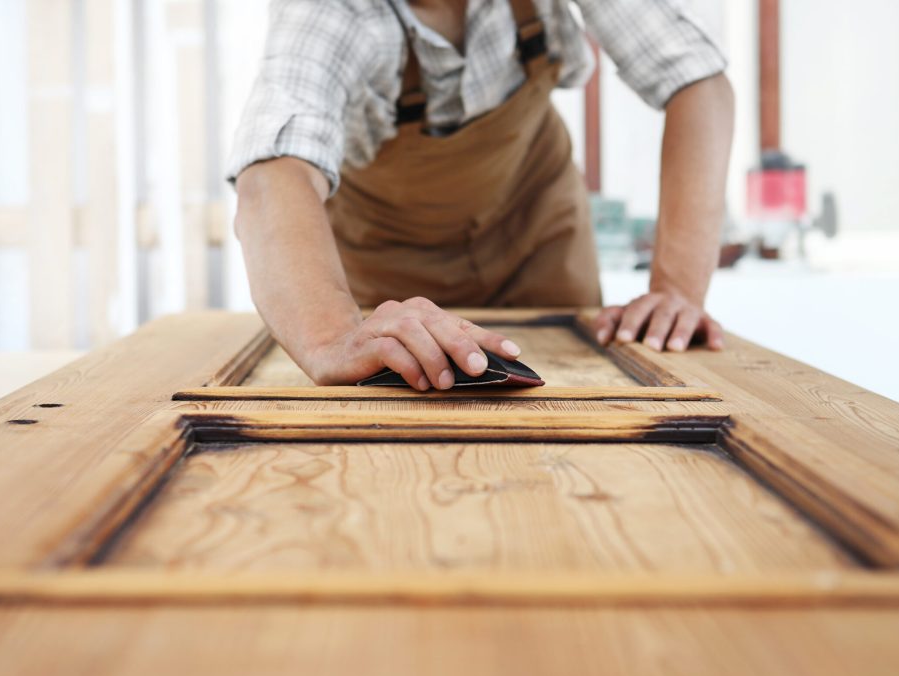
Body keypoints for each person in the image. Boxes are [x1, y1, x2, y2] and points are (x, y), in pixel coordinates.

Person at [229, 0, 734, 390]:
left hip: (537, 229)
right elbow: (273, 174)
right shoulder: (329, 11)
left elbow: (697, 84)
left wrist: (677, 292)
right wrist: (331, 338)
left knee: (565, 413)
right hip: (385, 261)